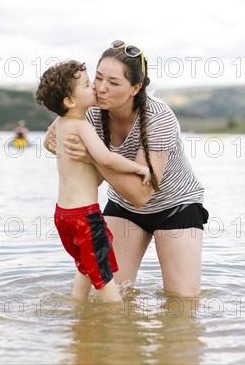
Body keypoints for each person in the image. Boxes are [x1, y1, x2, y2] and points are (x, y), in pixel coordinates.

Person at [44, 41, 209, 297]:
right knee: (111, 294)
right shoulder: (90, 113)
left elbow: (141, 195)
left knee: (182, 302)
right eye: (97, 78)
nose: (101, 88)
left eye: (113, 82)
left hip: (176, 206)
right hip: (123, 207)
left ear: (135, 88)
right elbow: (55, 141)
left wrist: (94, 158)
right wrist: (55, 142)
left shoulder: (159, 118)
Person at [36, 60, 152, 303]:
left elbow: (50, 145)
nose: (95, 89)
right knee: (104, 279)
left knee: (86, 267)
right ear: (70, 101)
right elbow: (106, 159)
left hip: (63, 216)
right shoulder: (82, 126)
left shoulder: (60, 123)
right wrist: (139, 168)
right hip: (85, 217)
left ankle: (77, 310)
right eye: (88, 85)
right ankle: (116, 321)